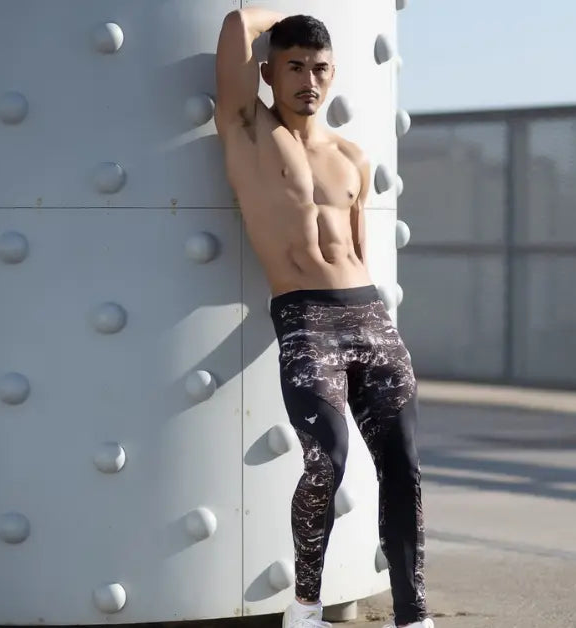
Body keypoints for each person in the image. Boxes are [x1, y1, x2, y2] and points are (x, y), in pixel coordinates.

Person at [214, 9, 432, 628]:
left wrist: (378, 321)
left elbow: (358, 252)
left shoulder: (351, 157)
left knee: (403, 463)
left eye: (320, 68)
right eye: (295, 67)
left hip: (369, 317)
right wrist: (277, 15)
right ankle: (305, 605)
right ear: (270, 71)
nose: (309, 80)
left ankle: (413, 615)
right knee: (326, 458)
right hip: (306, 318)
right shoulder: (248, 130)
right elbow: (233, 26)